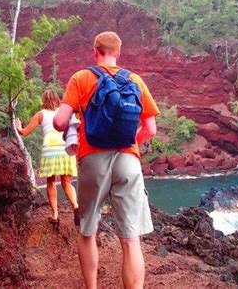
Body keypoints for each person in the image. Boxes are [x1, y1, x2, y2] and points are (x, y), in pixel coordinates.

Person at [53, 31, 159, 289]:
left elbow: (58, 122)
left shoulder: (81, 77)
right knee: (130, 239)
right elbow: (151, 129)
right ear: (118, 53)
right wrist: (129, 140)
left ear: (95, 51)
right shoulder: (134, 80)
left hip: (93, 159)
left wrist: (73, 125)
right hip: (128, 159)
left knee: (87, 231)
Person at [15, 89, 78, 223]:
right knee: (66, 182)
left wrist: (18, 126)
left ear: (43, 100)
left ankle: (55, 214)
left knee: (51, 181)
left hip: (50, 149)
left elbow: (24, 133)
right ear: (57, 99)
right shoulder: (64, 112)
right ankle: (76, 206)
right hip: (65, 147)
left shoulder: (40, 115)